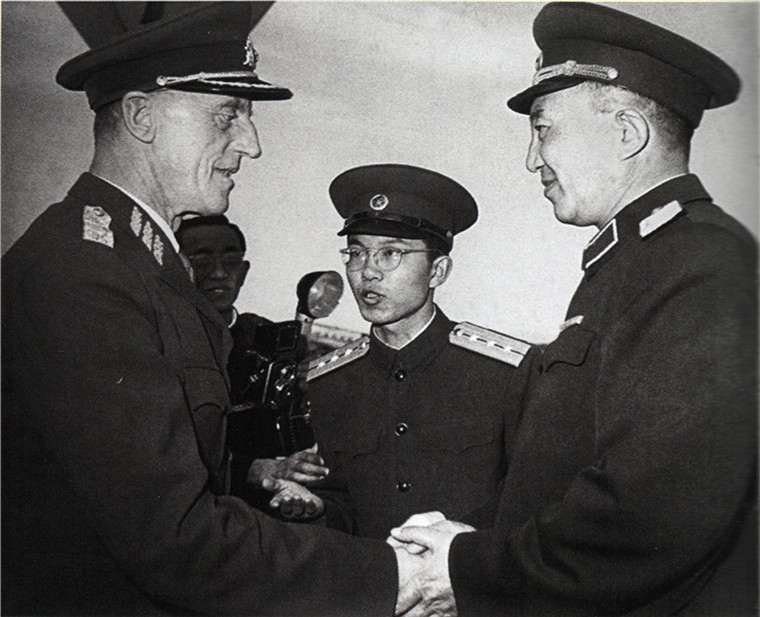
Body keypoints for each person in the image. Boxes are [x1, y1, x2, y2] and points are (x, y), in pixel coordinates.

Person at [1, 4, 412, 615]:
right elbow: (173, 541)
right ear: (141, 117)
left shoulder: (139, 264)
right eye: (227, 115)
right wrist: (395, 575)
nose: (251, 144)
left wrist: (251, 470)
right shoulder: (83, 274)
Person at [391, 3, 758, 617]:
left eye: (544, 129)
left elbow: (653, 514)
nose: (531, 159)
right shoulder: (637, 262)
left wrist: (470, 568)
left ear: (627, 132)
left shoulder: (702, 263)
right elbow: (560, 477)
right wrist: (469, 536)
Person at [306, 163, 538, 539]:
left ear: (437, 272)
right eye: (356, 252)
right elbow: (342, 503)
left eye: (391, 253)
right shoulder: (329, 381)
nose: (368, 272)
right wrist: (315, 509)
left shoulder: (506, 372)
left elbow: (531, 499)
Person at [176, 214, 327, 519]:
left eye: (231, 261)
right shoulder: (162, 343)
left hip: (266, 508)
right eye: (202, 260)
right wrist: (255, 470)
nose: (219, 273)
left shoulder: (267, 338)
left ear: (243, 273)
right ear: (178, 268)